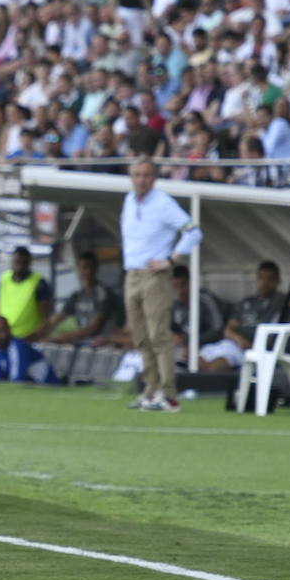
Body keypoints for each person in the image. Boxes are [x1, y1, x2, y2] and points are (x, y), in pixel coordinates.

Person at [121, 157, 202, 412]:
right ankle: (150, 390)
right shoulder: (129, 200)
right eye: (137, 175)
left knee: (159, 336)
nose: (141, 180)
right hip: (131, 274)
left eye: (146, 175)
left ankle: (168, 395)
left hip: (153, 276)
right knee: (141, 337)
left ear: (154, 178)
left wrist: (171, 259)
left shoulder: (163, 203)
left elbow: (193, 231)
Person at [199, 260, 290, 372]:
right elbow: (229, 329)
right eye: (261, 278)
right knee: (195, 363)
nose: (264, 283)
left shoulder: (282, 301)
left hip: (250, 350)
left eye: (270, 279)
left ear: (277, 281)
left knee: (213, 367)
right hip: (231, 343)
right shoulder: (247, 302)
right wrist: (238, 339)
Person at [46, 251, 120, 345]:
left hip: (103, 344)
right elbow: (56, 318)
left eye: (91, 267)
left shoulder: (104, 295)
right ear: (79, 270)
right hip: (82, 343)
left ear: (96, 269)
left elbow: (93, 328)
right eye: (84, 268)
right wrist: (39, 333)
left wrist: (63, 337)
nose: (88, 272)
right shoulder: (77, 296)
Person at [0, 246, 54, 342]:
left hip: (27, 339)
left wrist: (33, 337)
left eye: (24, 262)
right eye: (17, 262)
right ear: (12, 262)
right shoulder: (3, 280)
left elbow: (44, 317)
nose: (20, 266)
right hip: (4, 339)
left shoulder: (38, 283)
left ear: (29, 263)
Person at [0, 315, 62, 385]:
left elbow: (17, 380)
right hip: (31, 389)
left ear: (9, 329)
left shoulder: (19, 347)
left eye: (0, 331)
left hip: (47, 387)